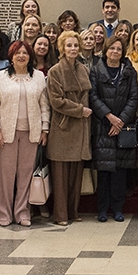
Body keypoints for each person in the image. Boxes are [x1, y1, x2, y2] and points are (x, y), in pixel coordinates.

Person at [0, 41, 50, 226]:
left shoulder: (39, 77)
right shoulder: (0, 77)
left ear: (30, 56)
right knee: (6, 176)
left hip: (31, 132)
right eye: (18, 53)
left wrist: (45, 128)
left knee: (25, 175)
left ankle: (22, 212)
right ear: (11, 56)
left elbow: (44, 105)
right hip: (6, 132)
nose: (21, 56)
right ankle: (4, 213)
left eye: (25, 53)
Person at [90, 36, 138, 222]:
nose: (115, 52)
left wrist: (120, 121)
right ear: (105, 50)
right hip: (103, 125)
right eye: (112, 48)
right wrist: (109, 117)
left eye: (119, 49)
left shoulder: (129, 71)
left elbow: (134, 98)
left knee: (120, 171)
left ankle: (118, 208)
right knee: (103, 172)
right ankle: (102, 209)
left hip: (123, 127)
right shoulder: (96, 70)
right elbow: (93, 96)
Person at [46, 31, 92, 226]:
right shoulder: (55, 71)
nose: (73, 49)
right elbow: (56, 101)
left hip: (81, 128)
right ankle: (61, 214)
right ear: (62, 49)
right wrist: (80, 110)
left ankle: (73, 211)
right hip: (63, 127)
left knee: (75, 174)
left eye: (75, 45)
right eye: (69, 46)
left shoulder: (84, 69)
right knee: (61, 176)